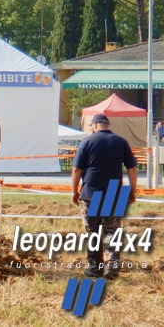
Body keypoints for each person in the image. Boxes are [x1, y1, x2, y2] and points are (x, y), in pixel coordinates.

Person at [71, 113, 137, 280]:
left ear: (94, 126)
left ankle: (94, 268)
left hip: (91, 192)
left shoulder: (87, 141)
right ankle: (111, 268)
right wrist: (133, 191)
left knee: (92, 232)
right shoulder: (121, 141)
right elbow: (132, 169)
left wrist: (74, 191)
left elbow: (77, 170)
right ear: (107, 125)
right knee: (111, 231)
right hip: (114, 194)